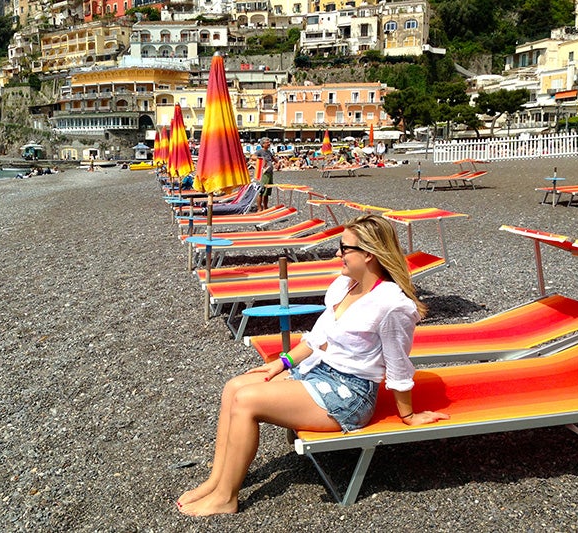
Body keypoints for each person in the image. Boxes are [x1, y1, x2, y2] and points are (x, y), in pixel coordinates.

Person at [177, 214, 450, 517]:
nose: (337, 253)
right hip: (320, 374)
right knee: (234, 387)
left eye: (343, 247)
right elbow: (318, 335)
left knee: (246, 401)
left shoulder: (392, 305)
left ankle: (226, 497)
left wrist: (408, 415)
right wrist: (282, 363)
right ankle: (216, 481)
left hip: (350, 395)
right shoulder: (345, 286)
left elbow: (399, 364)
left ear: (369, 254)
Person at [250, 137, 276, 212]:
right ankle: (259, 208)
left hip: (270, 173)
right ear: (263, 144)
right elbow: (252, 157)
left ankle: (265, 207)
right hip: (263, 174)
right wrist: (261, 158)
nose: (269, 143)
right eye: (267, 142)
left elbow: (273, 158)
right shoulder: (260, 151)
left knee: (267, 192)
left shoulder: (269, 152)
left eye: (269, 142)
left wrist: (277, 161)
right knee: (261, 191)